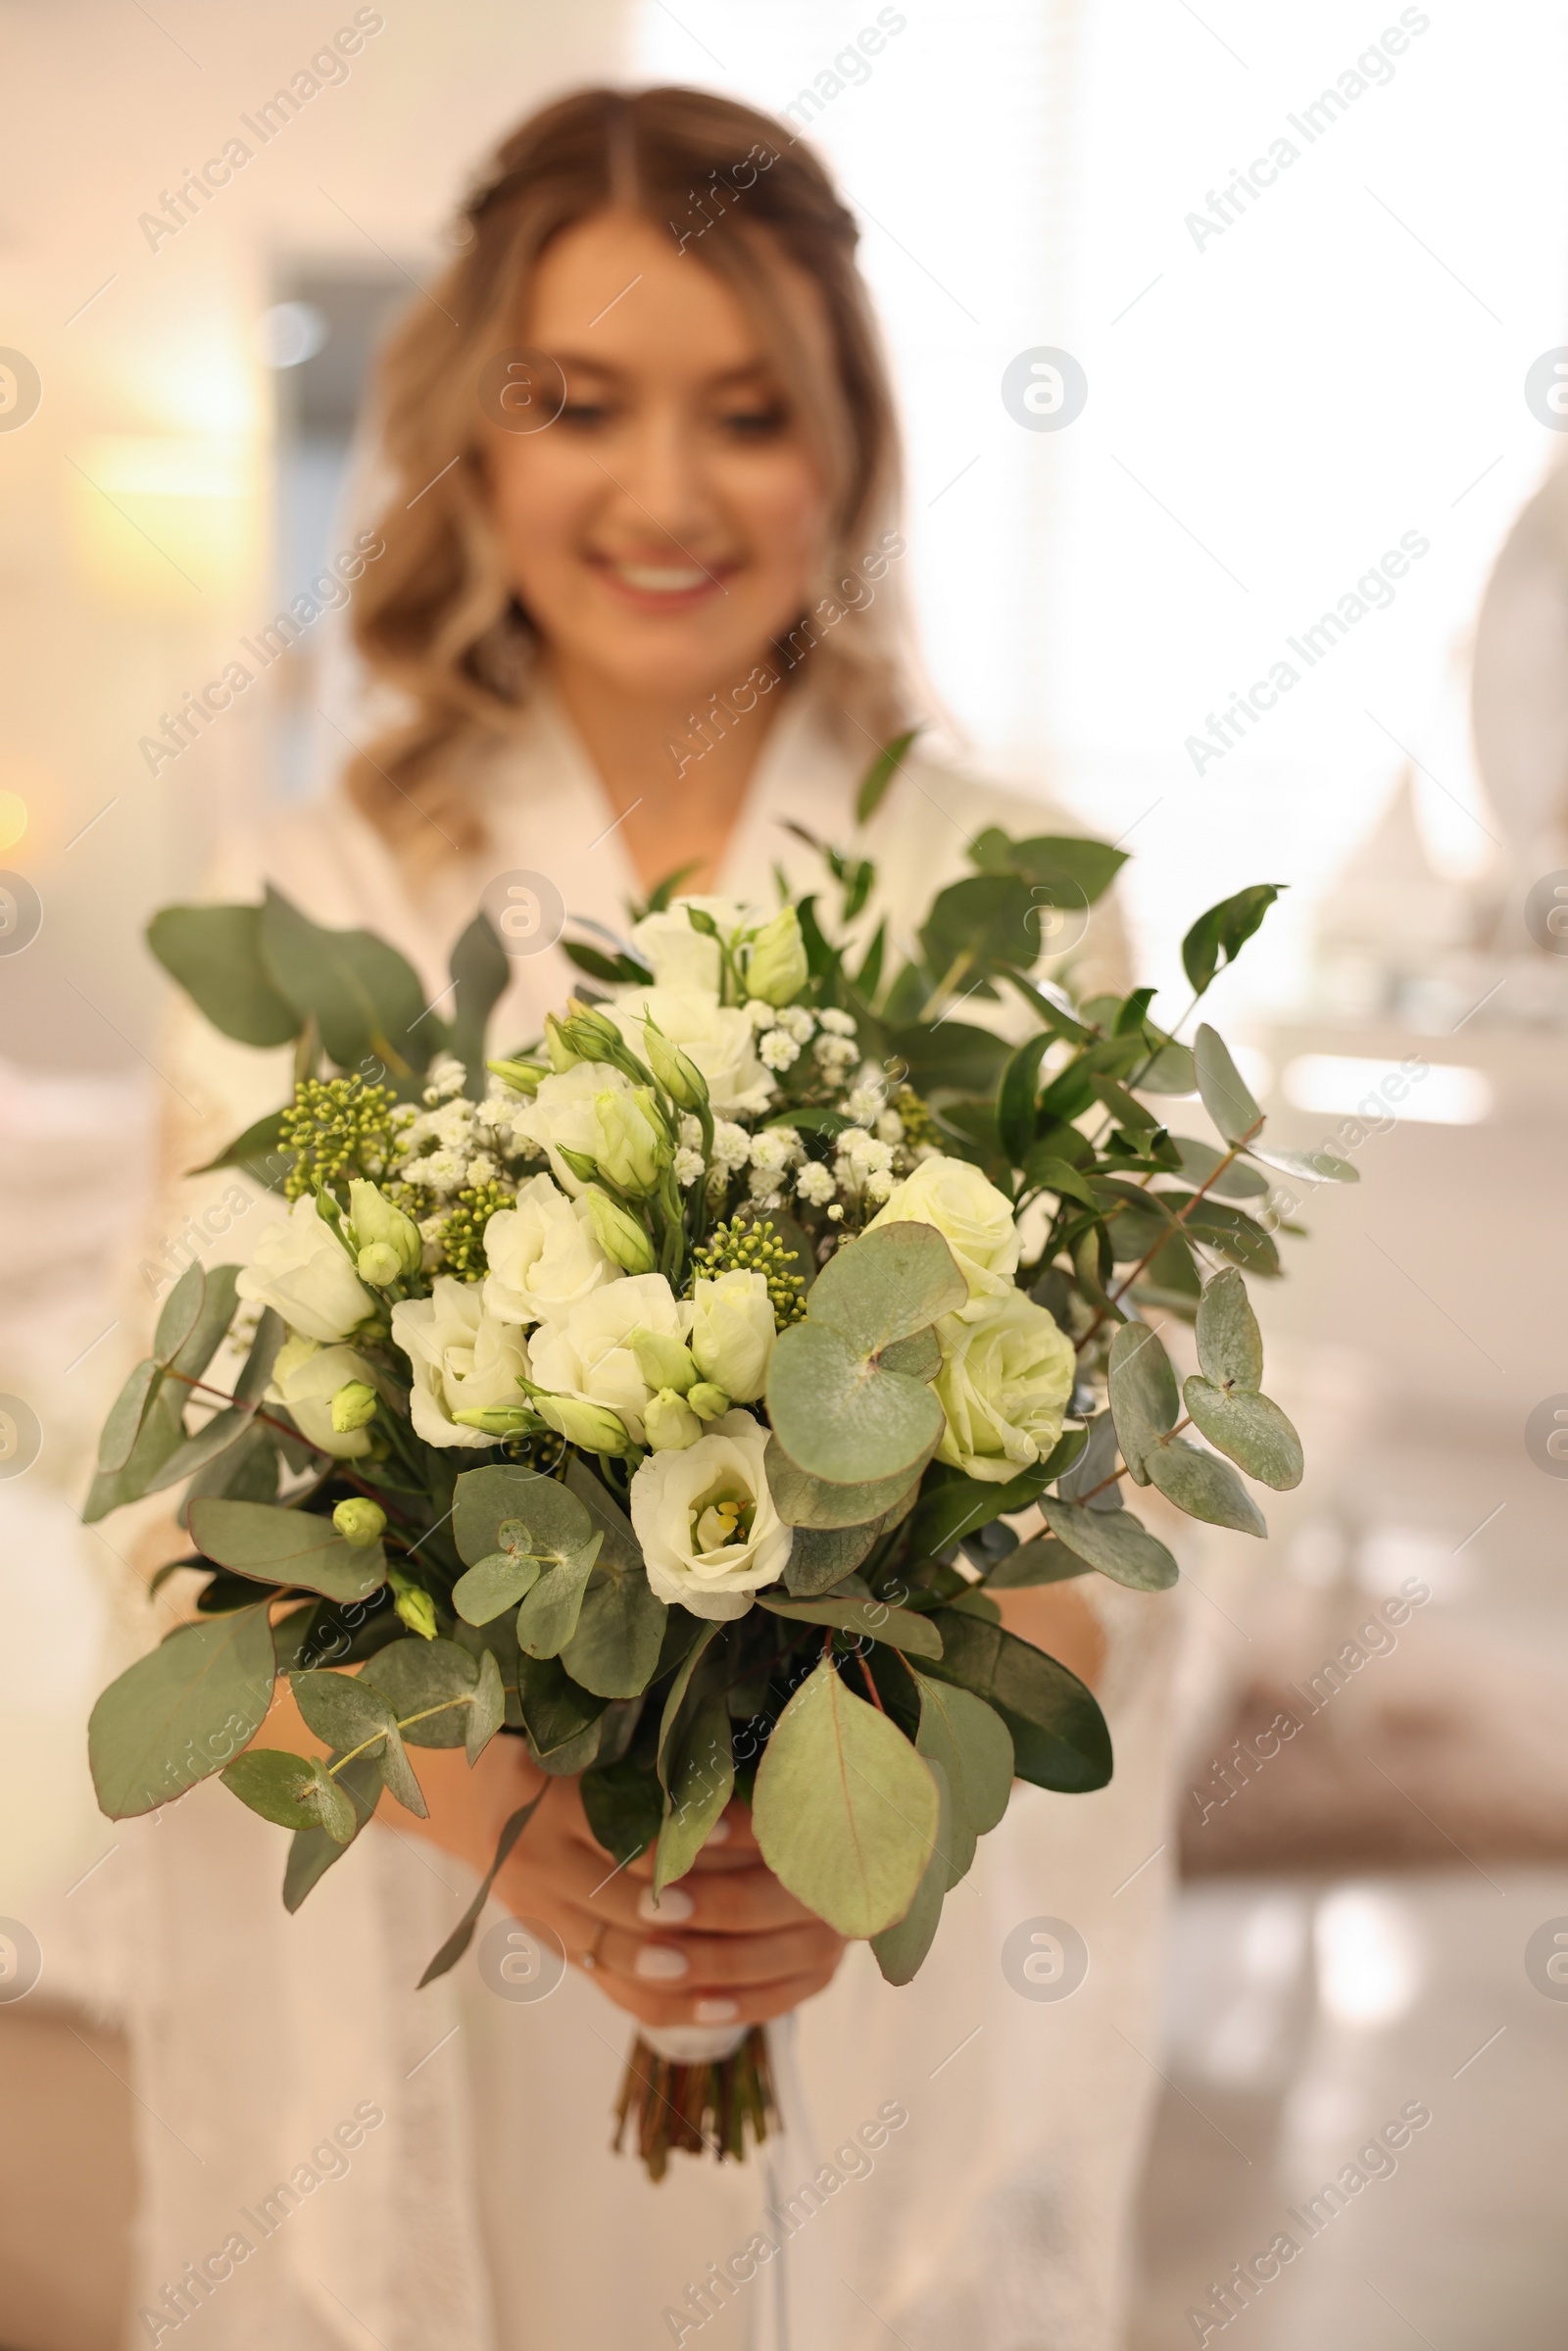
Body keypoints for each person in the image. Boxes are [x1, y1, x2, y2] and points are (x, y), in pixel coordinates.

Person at [123, 86, 1189, 2350]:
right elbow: (175, 1546)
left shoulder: (1016, 907)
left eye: (748, 411)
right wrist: (505, 1813)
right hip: (432, 1922)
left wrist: (853, 1819)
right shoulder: (317, 901)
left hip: (849, 1951)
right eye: (580, 404)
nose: (668, 493)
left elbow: (1124, 1521)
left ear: (848, 453)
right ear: (478, 447)